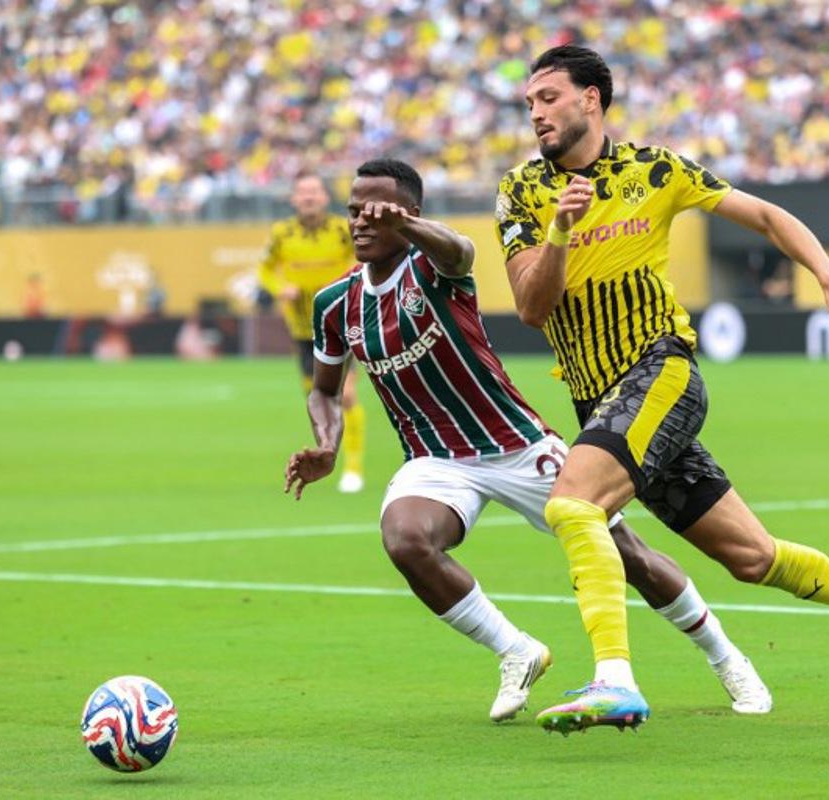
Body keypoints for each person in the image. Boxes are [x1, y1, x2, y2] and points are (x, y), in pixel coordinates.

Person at [496, 46, 829, 734]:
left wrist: (827, 274)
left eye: (549, 98)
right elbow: (531, 307)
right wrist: (560, 227)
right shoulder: (523, 191)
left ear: (591, 98)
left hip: (661, 372)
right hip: (603, 402)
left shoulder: (657, 169)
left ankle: (614, 679)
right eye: (529, 103)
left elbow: (767, 217)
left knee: (573, 503)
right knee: (752, 558)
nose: (536, 113)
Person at [284, 158, 772, 727]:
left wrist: (406, 227)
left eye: (377, 213)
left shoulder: (433, 268)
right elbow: (324, 390)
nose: (361, 223)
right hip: (436, 459)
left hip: (514, 444)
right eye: (354, 212)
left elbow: (460, 251)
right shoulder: (334, 304)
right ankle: (516, 651)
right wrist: (326, 443)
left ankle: (727, 656)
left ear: (409, 216)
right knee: (405, 540)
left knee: (629, 556)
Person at [260, 173, 367, 492]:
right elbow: (265, 269)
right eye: (303, 191)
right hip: (303, 329)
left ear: (325, 197)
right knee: (317, 398)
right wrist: (281, 288)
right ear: (293, 199)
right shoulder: (282, 234)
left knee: (345, 395)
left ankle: (353, 468)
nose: (308, 197)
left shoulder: (342, 230)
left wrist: (349, 287)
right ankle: (326, 453)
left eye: (315, 191)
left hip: (341, 323)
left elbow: (364, 259)